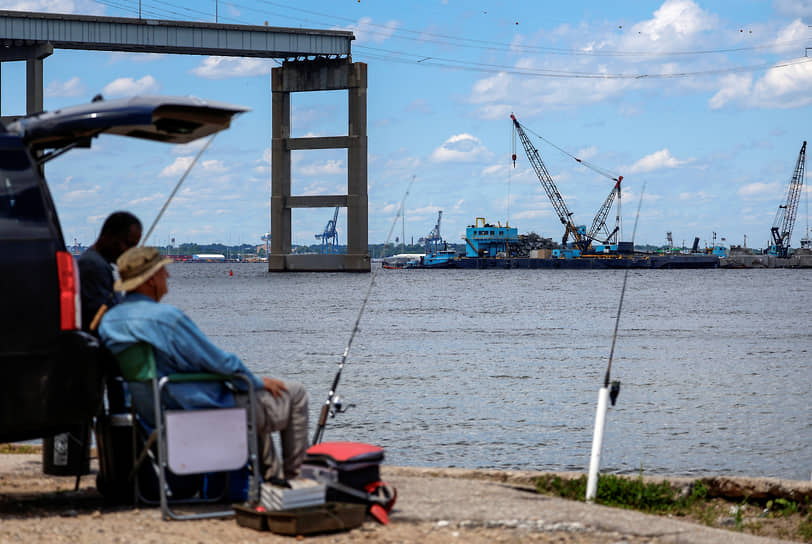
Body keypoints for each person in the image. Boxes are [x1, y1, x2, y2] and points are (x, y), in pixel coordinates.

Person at [98, 246, 308, 481]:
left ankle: (271, 480)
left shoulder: (109, 322)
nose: (167, 275)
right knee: (293, 393)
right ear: (149, 280)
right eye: (162, 271)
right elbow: (220, 362)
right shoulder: (167, 319)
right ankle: (297, 481)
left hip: (152, 416)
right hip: (199, 412)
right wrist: (258, 381)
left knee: (249, 393)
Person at [78, 211, 142, 332]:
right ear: (109, 236)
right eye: (128, 244)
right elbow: (101, 321)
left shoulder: (100, 264)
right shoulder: (92, 266)